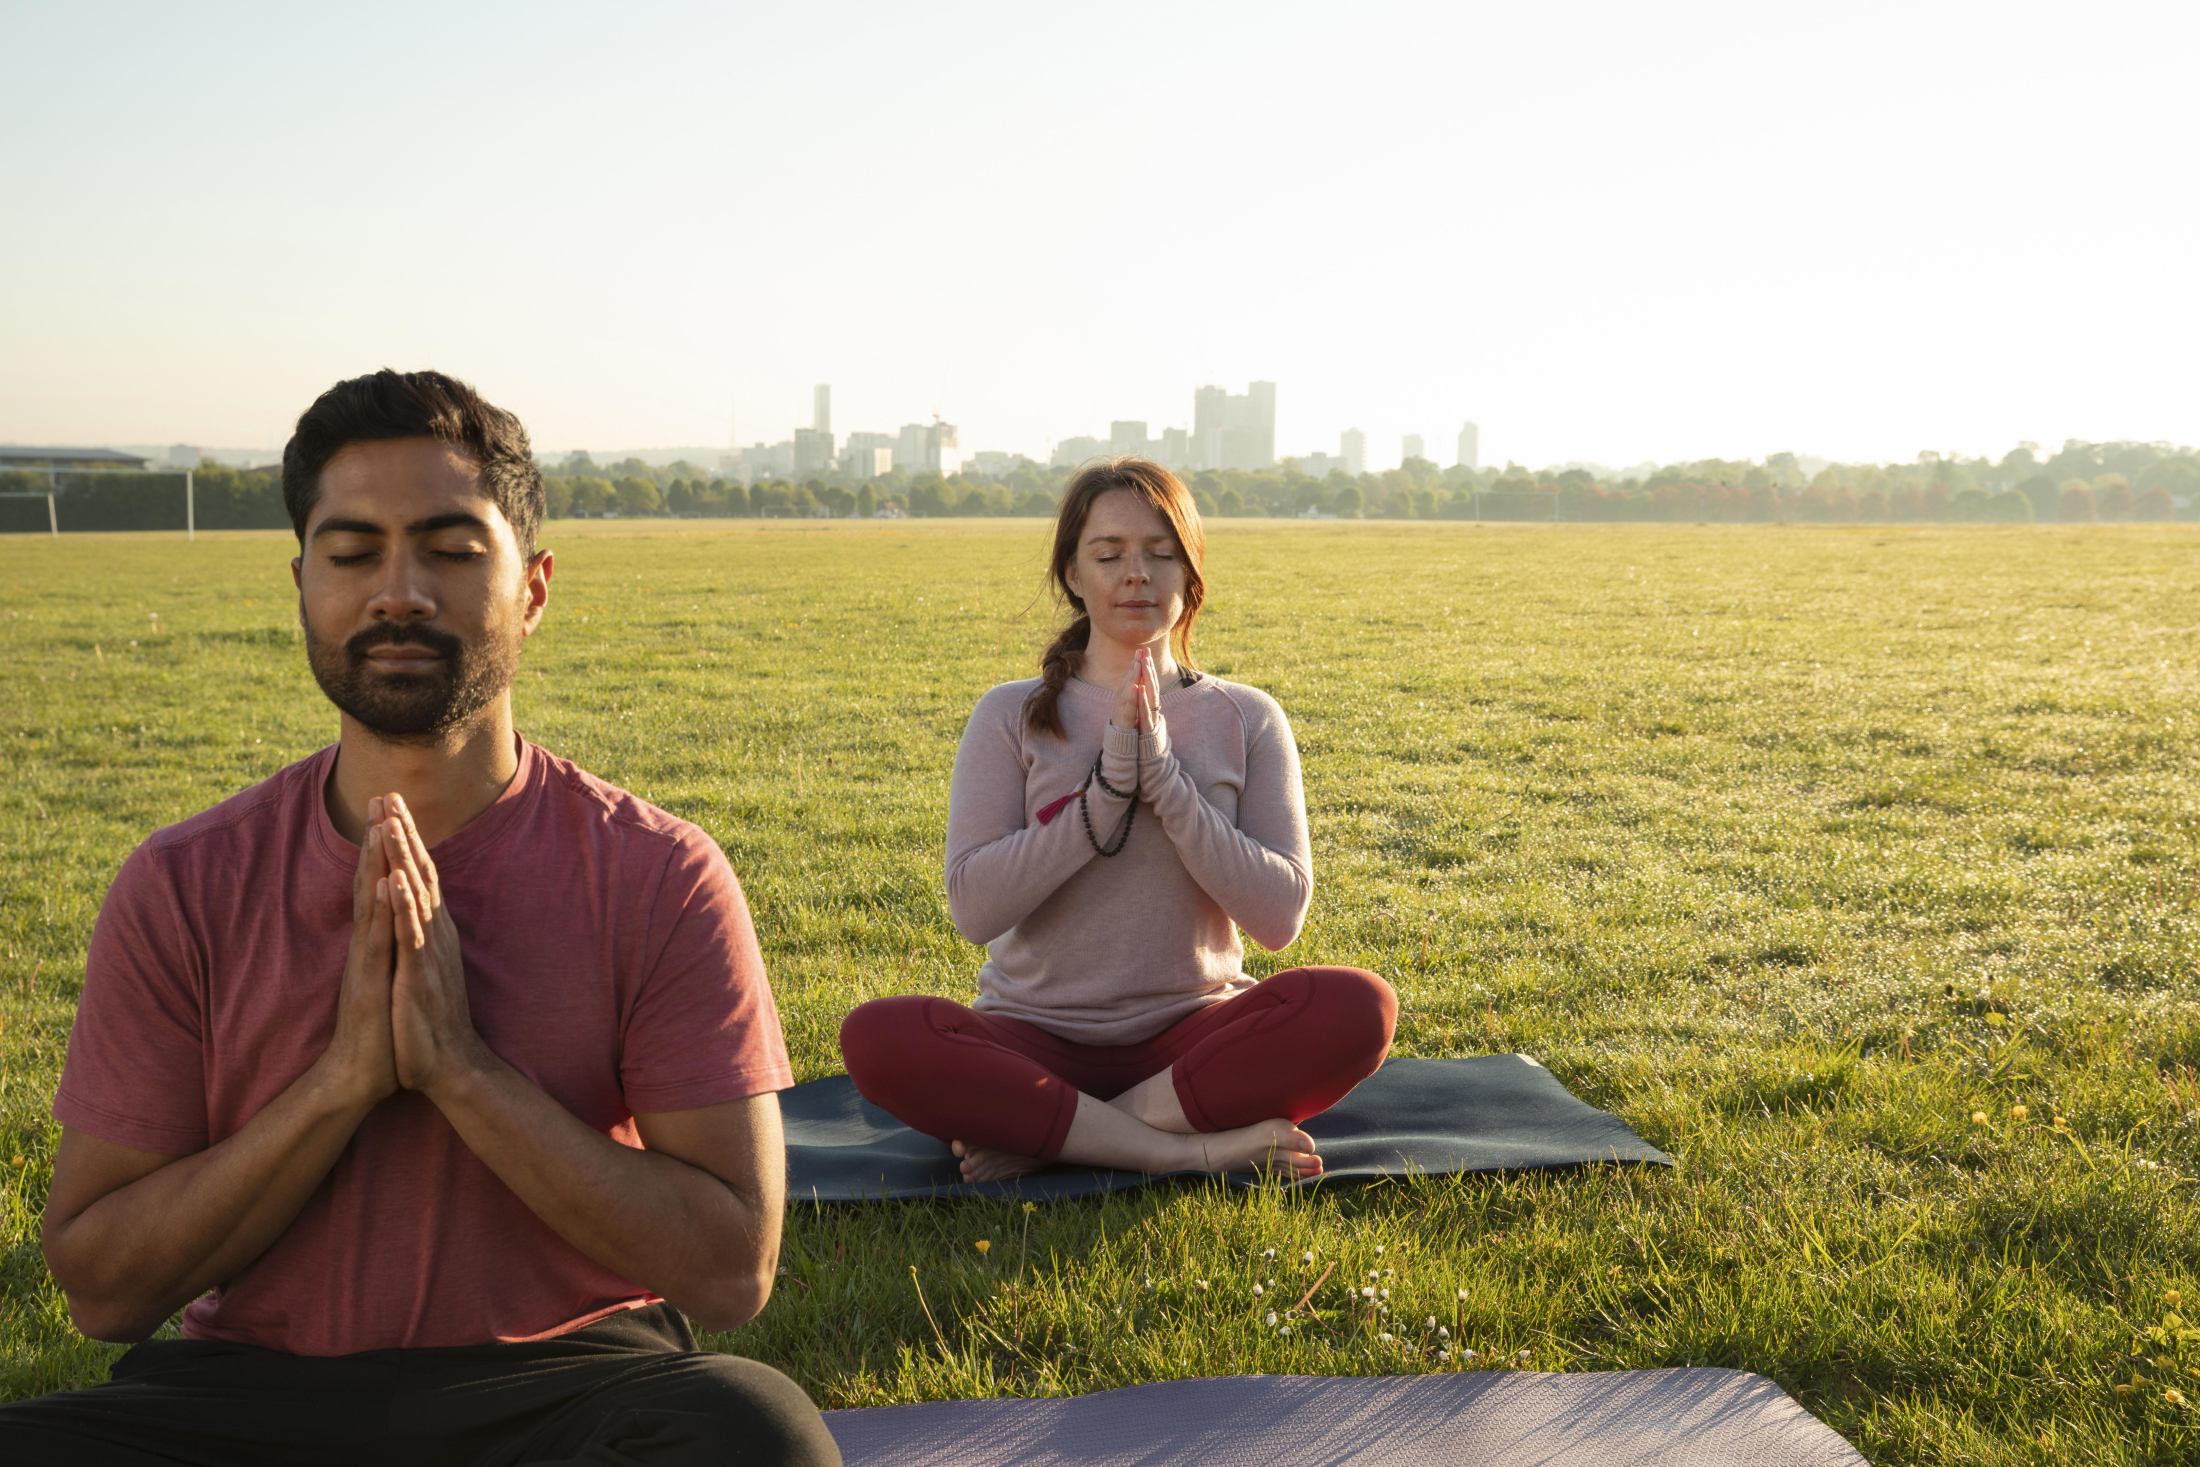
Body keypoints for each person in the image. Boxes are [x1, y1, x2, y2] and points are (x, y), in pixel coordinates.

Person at [0, 370, 840, 1466]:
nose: (398, 592)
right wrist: (343, 1084)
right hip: (252, 1398)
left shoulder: (659, 875)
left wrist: (463, 1073)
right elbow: (105, 1291)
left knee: (749, 1431)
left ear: (532, 588)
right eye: (353, 555)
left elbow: (730, 1270)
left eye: (449, 549)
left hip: (567, 1389)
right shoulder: (183, 883)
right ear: (303, 585)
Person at [840, 458, 1396, 1183]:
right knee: (881, 1036)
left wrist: (1166, 782)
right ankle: (1178, 1147)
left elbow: (1279, 916)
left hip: (1193, 1038)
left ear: (1190, 575)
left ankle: (1059, 1132)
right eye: (1109, 555)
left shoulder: (1247, 716)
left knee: (1358, 1006)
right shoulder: (1007, 714)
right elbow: (975, 908)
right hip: (1033, 1038)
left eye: (1160, 554)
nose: (1136, 574)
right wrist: (1103, 794)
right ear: (1073, 573)